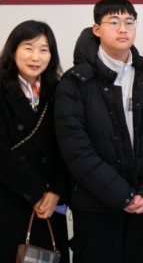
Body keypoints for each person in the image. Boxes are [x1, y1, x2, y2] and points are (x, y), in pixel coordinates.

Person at [55, 0, 143, 263]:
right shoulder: (75, 82)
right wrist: (122, 195)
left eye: (129, 22)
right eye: (114, 22)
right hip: (95, 207)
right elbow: (75, 149)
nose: (123, 29)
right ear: (97, 29)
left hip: (142, 205)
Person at [0, 20, 69, 263]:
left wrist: (57, 190)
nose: (35, 57)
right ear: (13, 50)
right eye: (28, 48)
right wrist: (37, 192)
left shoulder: (60, 91)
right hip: (9, 197)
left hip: (50, 204)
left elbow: (70, 146)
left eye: (43, 49)